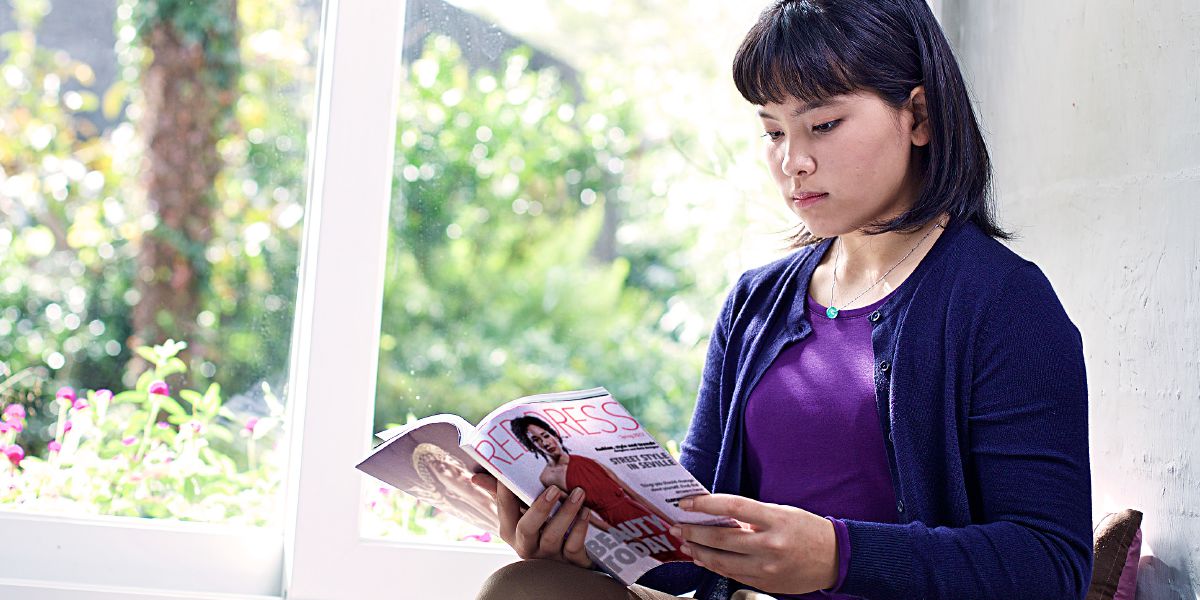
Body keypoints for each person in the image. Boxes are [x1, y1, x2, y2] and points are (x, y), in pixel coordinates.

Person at [474, 1, 1092, 599]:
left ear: (920, 116)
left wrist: (837, 557)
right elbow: (691, 554)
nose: (793, 161)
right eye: (773, 131)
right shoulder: (757, 301)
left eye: (823, 125)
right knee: (525, 587)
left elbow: (1051, 563)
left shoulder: (1004, 302)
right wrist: (588, 541)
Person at [509, 415, 690, 562]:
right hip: (615, 523)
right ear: (531, 446)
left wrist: (670, 521)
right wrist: (621, 536)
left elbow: (633, 494)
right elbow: (583, 514)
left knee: (683, 551)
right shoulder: (548, 477)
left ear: (554, 434)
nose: (544, 442)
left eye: (545, 435)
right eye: (536, 440)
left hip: (640, 512)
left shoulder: (590, 461)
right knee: (660, 561)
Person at [411, 442, 499, 532]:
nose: (459, 469)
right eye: (442, 468)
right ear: (449, 492)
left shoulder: (506, 489)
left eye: (451, 460)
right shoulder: (470, 530)